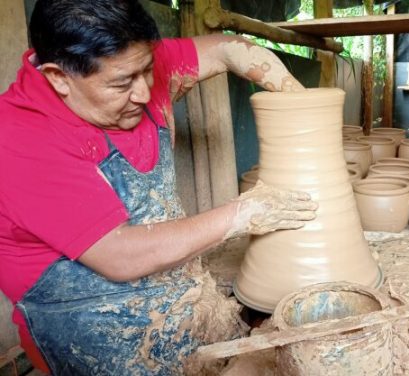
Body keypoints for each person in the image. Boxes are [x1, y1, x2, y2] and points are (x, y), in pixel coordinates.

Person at [0, 0, 318, 374]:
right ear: (58, 77)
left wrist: (298, 102)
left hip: (184, 299)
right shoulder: (19, 138)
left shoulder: (128, 59)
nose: (143, 92)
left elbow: (226, 48)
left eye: (148, 71)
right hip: (95, 339)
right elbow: (119, 256)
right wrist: (243, 214)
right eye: (122, 84)